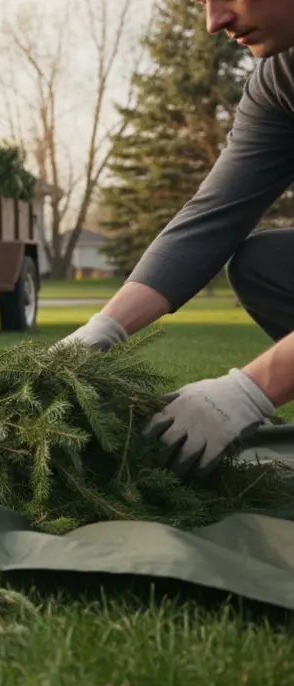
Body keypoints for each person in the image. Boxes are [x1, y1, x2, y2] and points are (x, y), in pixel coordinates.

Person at [57, 0, 294, 482]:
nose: (214, 21)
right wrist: (101, 331)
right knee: (263, 264)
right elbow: (213, 216)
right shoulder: (280, 78)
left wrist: (252, 388)